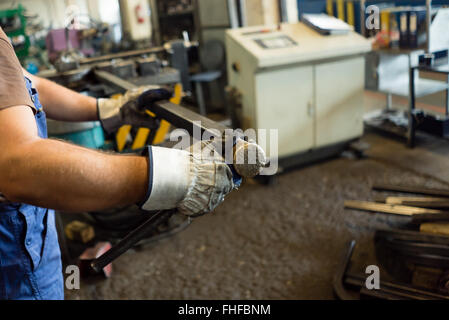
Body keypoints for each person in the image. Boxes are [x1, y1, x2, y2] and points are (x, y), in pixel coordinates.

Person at [0, 27, 234, 300]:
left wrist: (107, 109)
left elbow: (26, 84)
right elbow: (19, 167)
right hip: (12, 261)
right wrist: (179, 177)